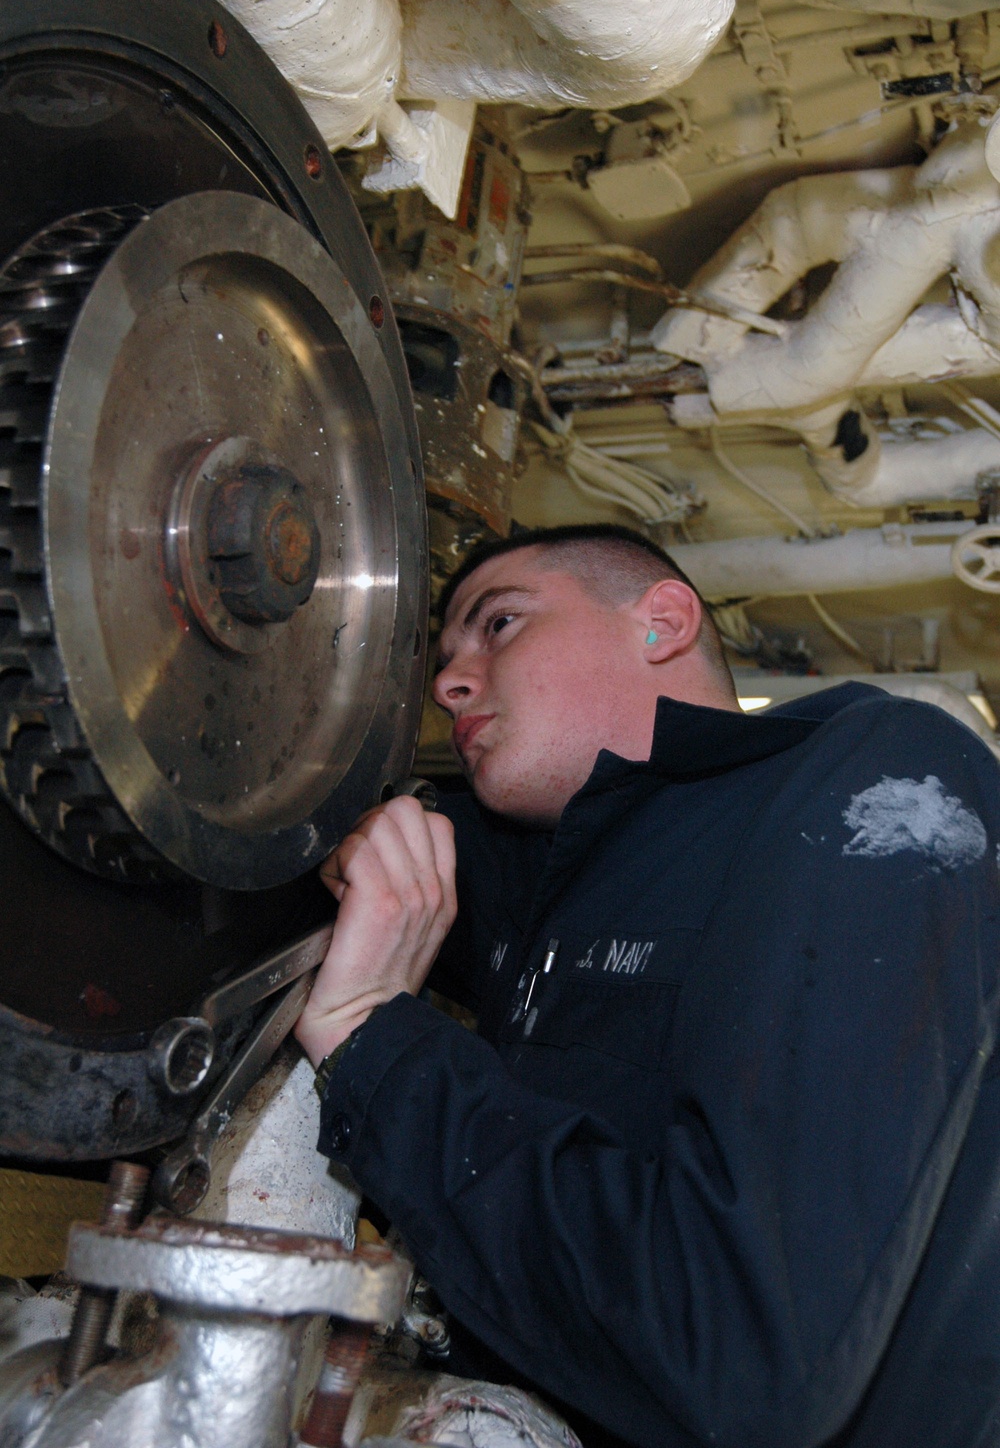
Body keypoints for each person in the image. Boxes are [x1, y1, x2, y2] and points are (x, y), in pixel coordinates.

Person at [295, 523, 1000, 1448]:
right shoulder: (533, 870)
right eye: (445, 657)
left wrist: (376, 1047)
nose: (449, 681)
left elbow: (742, 1348)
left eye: (498, 624)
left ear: (661, 623)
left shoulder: (876, 775)